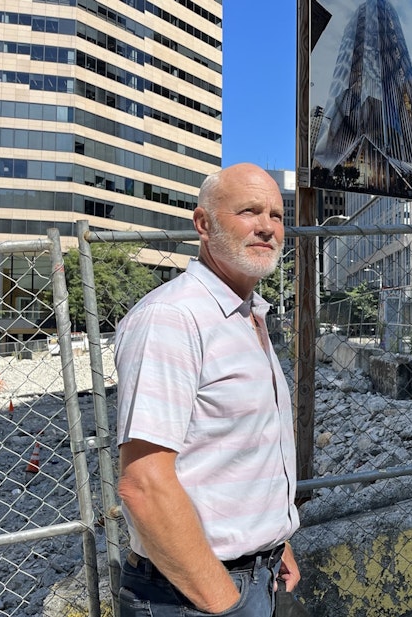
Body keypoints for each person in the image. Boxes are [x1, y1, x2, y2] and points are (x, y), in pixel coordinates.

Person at [115, 163, 300, 616]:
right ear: (203, 224)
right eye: (249, 211)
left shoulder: (246, 314)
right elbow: (143, 484)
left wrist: (276, 541)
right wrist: (225, 602)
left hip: (257, 574)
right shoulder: (173, 317)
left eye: (277, 215)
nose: (267, 227)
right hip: (194, 595)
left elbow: (243, 450)